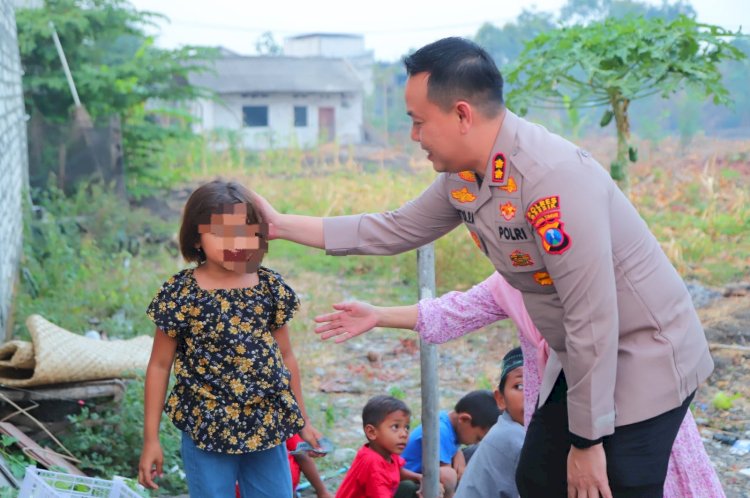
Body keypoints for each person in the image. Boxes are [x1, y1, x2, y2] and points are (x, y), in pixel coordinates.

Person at [254, 36, 714, 497]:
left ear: (461, 115)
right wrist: (278, 226)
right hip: (582, 353)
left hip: (644, 351)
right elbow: (393, 229)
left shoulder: (551, 180)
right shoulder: (465, 175)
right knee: (538, 477)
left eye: (418, 123)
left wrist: (588, 441)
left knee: (616, 483)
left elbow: (592, 317)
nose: (414, 137)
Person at [313, 271, 726, 497]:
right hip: (563, 416)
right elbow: (451, 311)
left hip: (636, 406)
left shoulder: (601, 269)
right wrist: (379, 315)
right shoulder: (510, 280)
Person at [138, 180, 323, 498]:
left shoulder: (268, 286)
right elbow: (159, 365)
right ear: (197, 238)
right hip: (207, 428)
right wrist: (151, 439)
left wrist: (301, 419)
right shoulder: (181, 293)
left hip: (265, 423)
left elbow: (286, 356)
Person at [396, 390, 499, 498]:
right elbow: (446, 476)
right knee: (449, 475)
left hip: (427, 475)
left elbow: (451, 442)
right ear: (464, 419)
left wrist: (457, 452)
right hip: (413, 481)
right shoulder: (439, 430)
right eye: (478, 437)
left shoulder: (448, 419)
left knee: (477, 451)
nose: (477, 441)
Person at [456, 347, 525, 498]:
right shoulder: (513, 436)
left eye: (541, 384)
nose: (532, 394)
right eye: (520, 386)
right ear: (500, 399)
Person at [336, 395, 421, 498]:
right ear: (372, 432)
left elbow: (398, 471)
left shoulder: (387, 452)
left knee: (408, 487)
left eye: (406, 427)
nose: (404, 434)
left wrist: (419, 477)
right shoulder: (372, 464)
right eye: (395, 427)